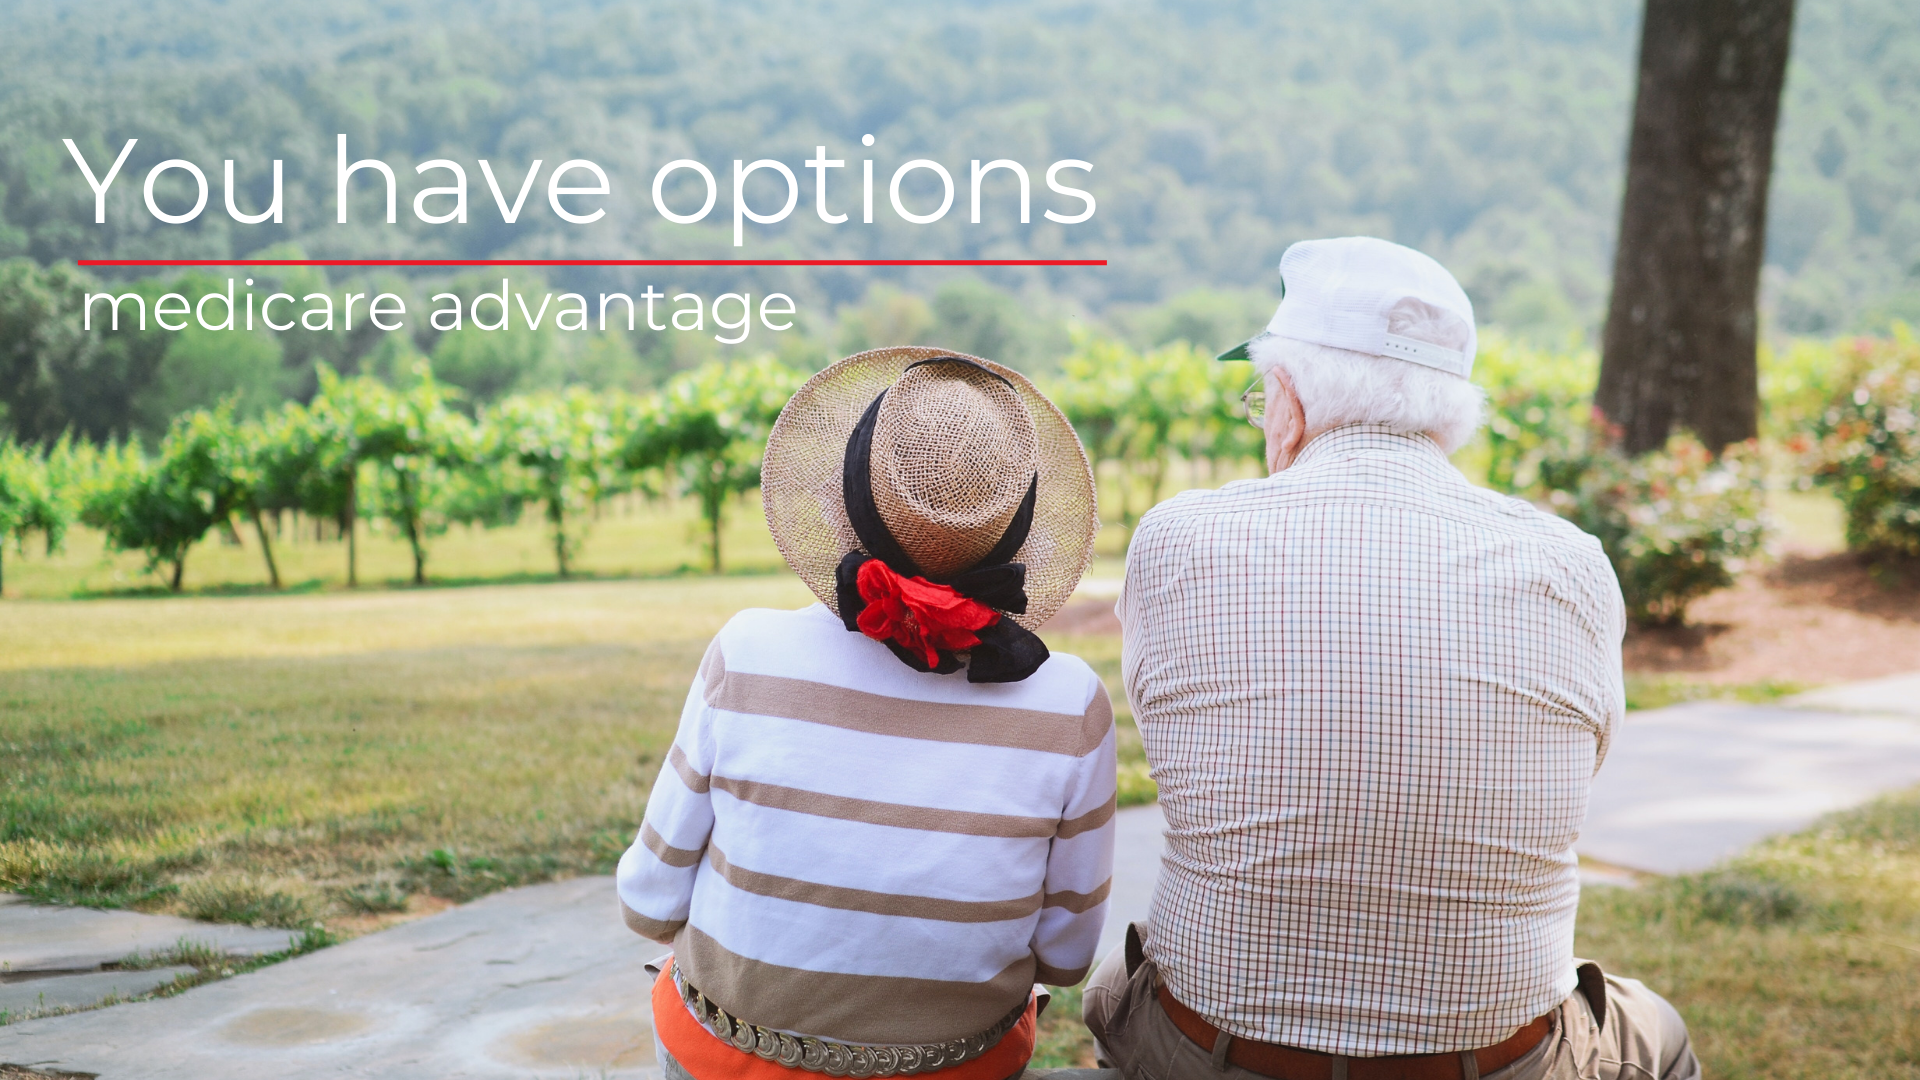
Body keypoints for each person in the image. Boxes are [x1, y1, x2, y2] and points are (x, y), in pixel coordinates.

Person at [1086, 237, 1700, 1080]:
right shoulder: (1572, 563)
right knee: (1654, 1027)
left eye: (1259, 393)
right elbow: (1582, 763)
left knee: (1120, 982)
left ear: (1290, 400)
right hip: (1499, 1058)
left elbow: (1177, 745)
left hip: (1219, 1053)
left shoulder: (1178, 540)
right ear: (1451, 410)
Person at [616, 347, 1118, 1080]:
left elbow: (650, 900)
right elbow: (1068, 958)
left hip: (730, 1059)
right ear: (1017, 530)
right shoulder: (1070, 704)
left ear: (842, 501)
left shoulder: (749, 651)